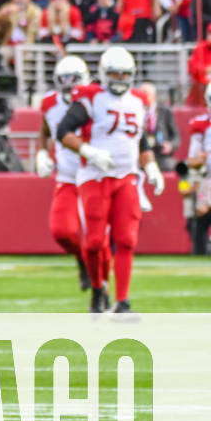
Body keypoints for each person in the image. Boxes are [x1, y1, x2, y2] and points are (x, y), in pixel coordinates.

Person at [57, 47, 165, 313]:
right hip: (94, 177)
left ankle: (123, 301)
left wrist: (151, 167)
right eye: (114, 73)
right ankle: (97, 288)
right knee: (94, 242)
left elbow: (141, 140)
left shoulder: (139, 100)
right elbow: (63, 131)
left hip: (127, 176)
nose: (119, 78)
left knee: (127, 239)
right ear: (104, 74)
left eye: (124, 74)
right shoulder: (91, 98)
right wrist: (88, 151)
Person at [35, 56, 92, 294]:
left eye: (74, 78)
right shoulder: (50, 102)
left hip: (94, 175)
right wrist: (41, 153)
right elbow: (46, 129)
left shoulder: (96, 99)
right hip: (67, 176)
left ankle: (102, 289)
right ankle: (83, 260)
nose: (69, 84)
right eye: (64, 79)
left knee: (98, 236)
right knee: (62, 231)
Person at [183, 83, 211, 254]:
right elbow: (192, 161)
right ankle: (199, 252)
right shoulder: (201, 125)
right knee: (199, 217)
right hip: (206, 178)